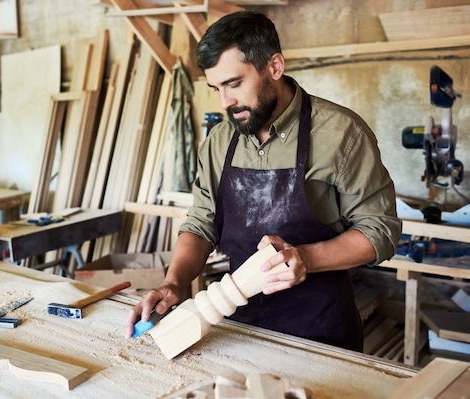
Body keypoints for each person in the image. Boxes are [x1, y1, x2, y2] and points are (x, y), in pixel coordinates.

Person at [125, 11, 401, 352]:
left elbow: (381, 232)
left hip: (320, 334)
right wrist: (174, 281)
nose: (225, 102)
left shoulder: (341, 134)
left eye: (234, 84)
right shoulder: (219, 141)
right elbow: (200, 224)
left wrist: (306, 258)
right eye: (216, 88)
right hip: (238, 333)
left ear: (274, 67)